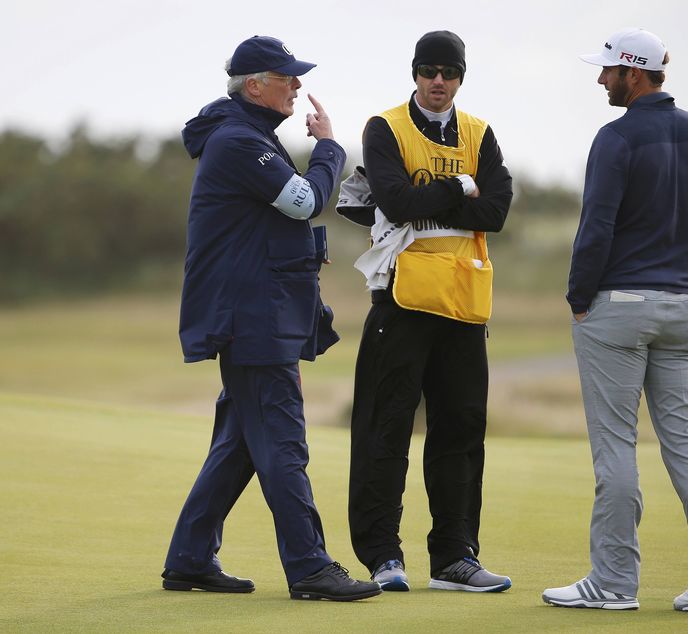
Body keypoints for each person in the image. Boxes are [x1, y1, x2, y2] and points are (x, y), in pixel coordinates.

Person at [161, 35, 381, 602]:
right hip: (254, 318)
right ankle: (310, 568)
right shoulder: (239, 140)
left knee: (240, 441)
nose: (297, 85)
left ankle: (189, 559)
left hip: (256, 311)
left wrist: (302, 248)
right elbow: (306, 200)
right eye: (286, 77)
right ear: (254, 85)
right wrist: (330, 148)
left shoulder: (247, 136)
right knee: (283, 442)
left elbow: (267, 223)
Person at [541, 28, 688, 612]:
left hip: (617, 311)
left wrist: (579, 296)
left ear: (635, 73)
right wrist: (674, 249)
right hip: (682, 307)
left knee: (615, 446)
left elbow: (595, 227)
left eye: (609, 70)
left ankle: (613, 583)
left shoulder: (616, 137)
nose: (601, 79)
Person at [343, 30, 513, 593]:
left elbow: (496, 211)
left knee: (461, 428)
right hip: (402, 297)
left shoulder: (480, 133)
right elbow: (395, 201)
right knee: (385, 424)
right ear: (415, 74)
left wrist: (449, 198)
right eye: (428, 71)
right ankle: (382, 555)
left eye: (448, 72)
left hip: (463, 299)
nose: (438, 82)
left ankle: (455, 558)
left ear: (461, 76)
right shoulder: (385, 127)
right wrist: (461, 186)